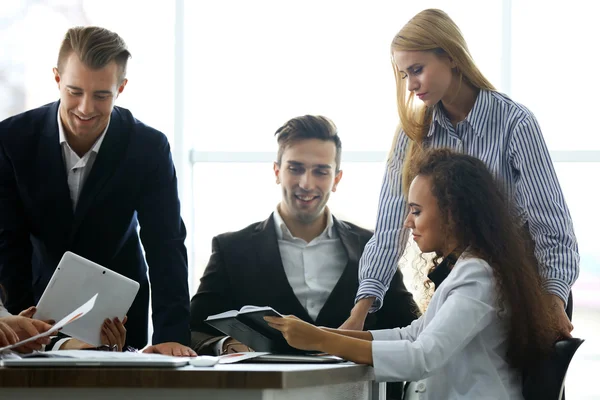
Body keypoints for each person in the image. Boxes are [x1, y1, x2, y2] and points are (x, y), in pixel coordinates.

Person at [341, 9, 579, 336]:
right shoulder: (412, 136)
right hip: (459, 293)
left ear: (451, 57)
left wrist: (553, 300)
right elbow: (389, 227)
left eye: (417, 70)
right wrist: (361, 310)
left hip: (526, 295)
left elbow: (550, 223)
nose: (411, 85)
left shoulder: (514, 123)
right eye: (403, 75)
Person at [266, 148, 557, 399]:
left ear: (452, 214)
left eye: (416, 211)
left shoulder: (478, 276)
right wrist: (319, 333)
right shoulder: (468, 269)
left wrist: (319, 341)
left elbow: (422, 356)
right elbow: (412, 335)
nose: (407, 222)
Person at [0, 26, 191, 353]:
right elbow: (8, 241)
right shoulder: (13, 140)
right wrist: (21, 323)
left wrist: (171, 335)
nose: (86, 108)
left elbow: (165, 244)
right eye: (75, 91)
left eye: (102, 95)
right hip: (34, 295)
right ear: (57, 79)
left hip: (115, 314)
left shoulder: (148, 148)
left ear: (121, 88)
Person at [190, 115, 418, 359]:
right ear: (277, 171)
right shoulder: (231, 249)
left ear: (336, 179)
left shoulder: (372, 247)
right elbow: (191, 329)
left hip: (355, 393)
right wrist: (225, 345)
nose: (306, 184)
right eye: (295, 168)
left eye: (320, 171)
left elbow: (411, 329)